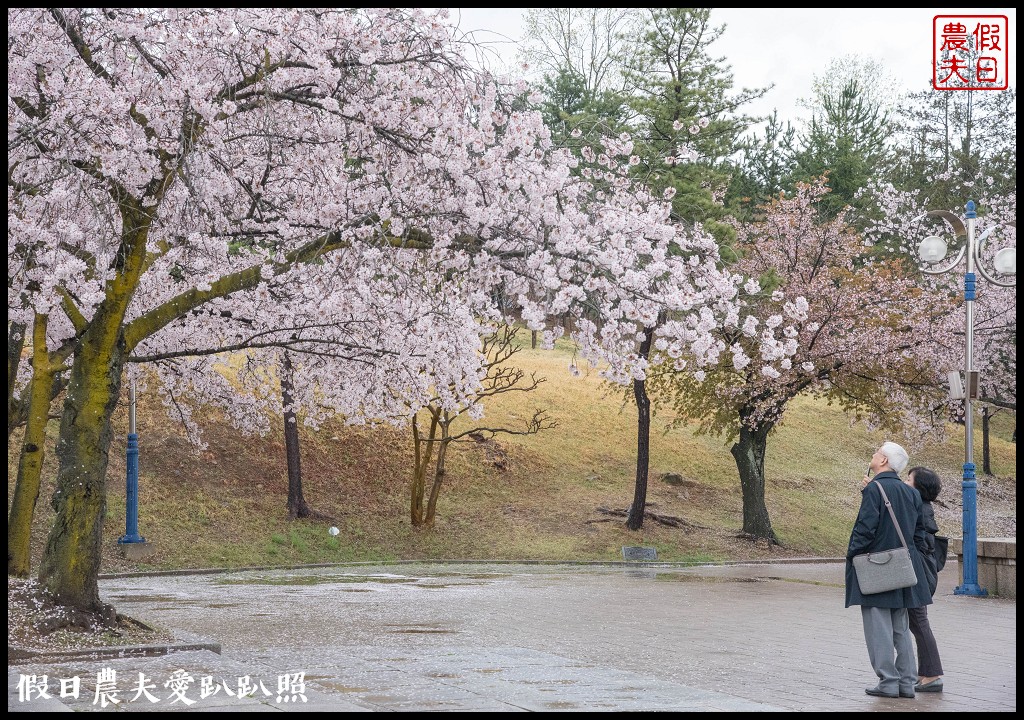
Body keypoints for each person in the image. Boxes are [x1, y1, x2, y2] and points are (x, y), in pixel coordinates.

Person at [845, 441, 933, 699]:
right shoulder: (912, 493)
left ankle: (888, 681)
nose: (873, 455)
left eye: (876, 453)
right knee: (900, 627)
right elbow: (918, 533)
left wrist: (852, 555)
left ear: (883, 461)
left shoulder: (875, 489)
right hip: (904, 566)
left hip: (877, 566)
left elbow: (865, 528)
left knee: (878, 627)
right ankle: (907, 682)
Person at [904, 467, 944, 693]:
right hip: (923, 572)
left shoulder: (918, 507)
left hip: (919, 574)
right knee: (919, 623)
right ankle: (926, 673)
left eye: (908, 480)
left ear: (918, 488)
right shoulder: (922, 506)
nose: (904, 483)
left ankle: (933, 675)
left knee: (919, 622)